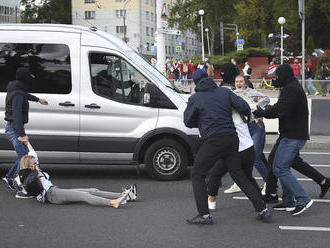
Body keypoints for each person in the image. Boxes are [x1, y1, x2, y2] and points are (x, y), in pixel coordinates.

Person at [184, 69, 270, 225]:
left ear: (195, 82)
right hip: (232, 138)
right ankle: (262, 209)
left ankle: (204, 215)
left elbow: (188, 122)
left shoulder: (195, 98)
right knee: (238, 173)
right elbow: (243, 106)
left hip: (213, 139)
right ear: (210, 79)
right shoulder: (224, 92)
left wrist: (203, 121)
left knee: (197, 173)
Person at [253, 64, 313, 216]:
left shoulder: (291, 89)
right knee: (275, 163)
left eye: (277, 77)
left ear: (284, 76)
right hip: (289, 134)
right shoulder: (290, 87)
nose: (275, 80)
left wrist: (262, 112)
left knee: (280, 167)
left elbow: (281, 110)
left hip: (293, 135)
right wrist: (267, 109)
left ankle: (303, 199)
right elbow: (282, 107)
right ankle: (289, 202)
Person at [15, 141, 137, 208]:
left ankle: (124, 195)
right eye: (33, 164)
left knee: (92, 190)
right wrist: (35, 172)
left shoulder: (33, 166)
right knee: (85, 196)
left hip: (55, 190)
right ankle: (113, 202)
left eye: (36, 163)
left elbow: (33, 153)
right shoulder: (28, 177)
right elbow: (30, 187)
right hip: (51, 195)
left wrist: (26, 142)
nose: (36, 165)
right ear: (27, 167)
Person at [2, 67, 48, 191]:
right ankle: (14, 179)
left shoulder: (17, 90)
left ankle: (10, 178)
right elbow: (17, 114)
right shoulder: (17, 93)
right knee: (25, 158)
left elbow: (25, 95)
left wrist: (38, 100)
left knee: (24, 156)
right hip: (14, 128)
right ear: (24, 79)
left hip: (13, 127)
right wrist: (22, 135)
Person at [224, 75, 270, 195]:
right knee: (240, 157)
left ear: (245, 83)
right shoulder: (232, 94)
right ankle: (238, 183)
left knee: (256, 156)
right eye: (236, 81)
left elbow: (266, 99)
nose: (238, 83)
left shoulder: (251, 92)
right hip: (242, 128)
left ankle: (268, 183)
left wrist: (253, 106)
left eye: (240, 81)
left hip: (256, 126)